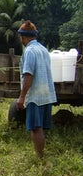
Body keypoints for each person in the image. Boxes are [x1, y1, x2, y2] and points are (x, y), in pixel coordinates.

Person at [16, 20, 57, 159]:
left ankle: (40, 157)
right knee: (41, 127)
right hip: (47, 94)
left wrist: (22, 97)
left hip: (35, 96)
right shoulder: (43, 50)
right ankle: (41, 154)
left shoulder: (29, 51)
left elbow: (28, 75)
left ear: (23, 37)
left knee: (35, 127)